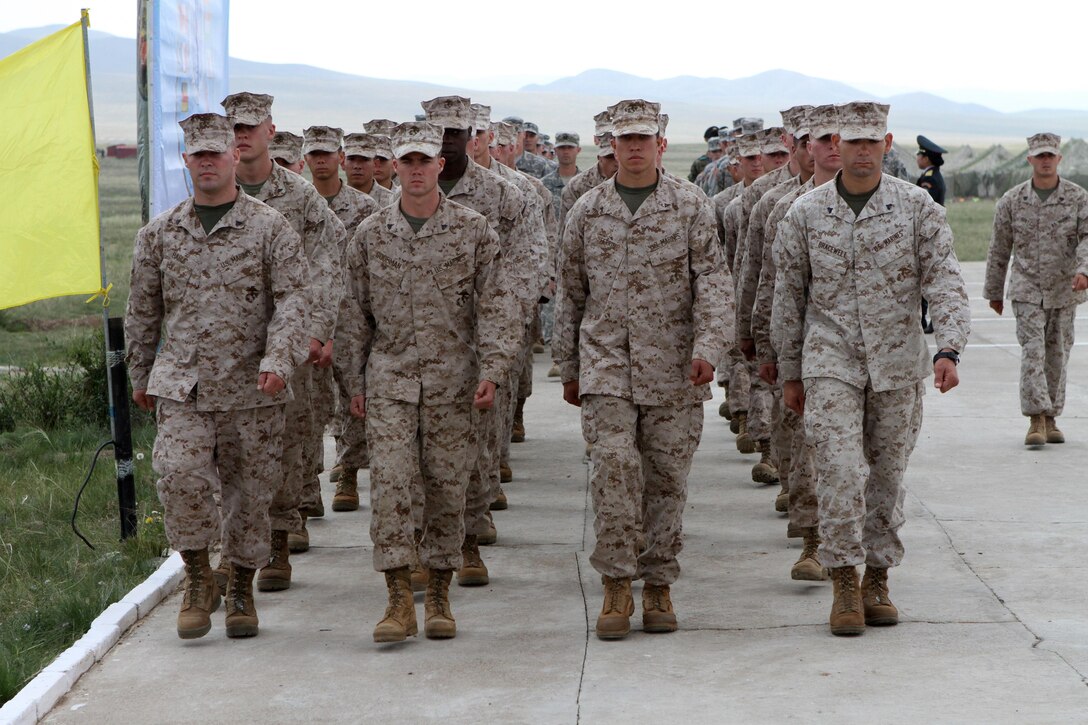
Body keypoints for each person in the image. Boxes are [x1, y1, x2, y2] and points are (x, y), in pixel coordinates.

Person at [772, 101, 970, 637]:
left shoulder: (916, 207)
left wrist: (948, 348)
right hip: (829, 361)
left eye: (869, 142)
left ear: (885, 144)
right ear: (837, 145)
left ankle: (878, 578)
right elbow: (787, 297)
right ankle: (843, 579)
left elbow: (945, 280)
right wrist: (790, 371)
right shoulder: (806, 213)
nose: (859, 152)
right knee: (837, 471)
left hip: (897, 363)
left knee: (887, 475)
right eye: (849, 141)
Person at [553, 98, 733, 640]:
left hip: (674, 367)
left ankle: (657, 583)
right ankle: (615, 582)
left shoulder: (691, 205)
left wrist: (710, 347)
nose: (633, 147)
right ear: (611, 144)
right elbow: (570, 292)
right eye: (623, 139)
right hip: (606, 365)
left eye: (643, 138)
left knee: (667, 479)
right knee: (612, 472)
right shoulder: (588, 209)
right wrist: (567, 365)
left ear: (660, 141)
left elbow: (713, 283)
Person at [125, 112, 310, 639]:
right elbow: (143, 309)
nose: (207, 163)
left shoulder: (271, 228)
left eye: (216, 154)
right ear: (186, 161)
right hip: (183, 386)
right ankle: (199, 575)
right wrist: (140, 372)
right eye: (198, 155)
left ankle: (241, 589)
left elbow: (294, 300)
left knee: (250, 495)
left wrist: (279, 360)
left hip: (253, 389)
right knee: (179, 477)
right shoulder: (159, 234)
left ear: (235, 158)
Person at [335, 121, 520, 642]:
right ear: (393, 168)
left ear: (441, 166)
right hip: (390, 381)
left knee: (446, 488)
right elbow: (353, 317)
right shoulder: (370, 236)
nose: (416, 171)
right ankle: (397, 600)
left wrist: (494, 370)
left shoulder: (473, 230)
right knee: (391, 486)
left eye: (425, 162)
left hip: (453, 383)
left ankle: (438, 593)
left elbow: (497, 307)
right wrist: (352, 382)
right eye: (406, 162)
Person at [221, 91, 345, 592]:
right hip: (227, 347)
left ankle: (277, 537)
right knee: (230, 450)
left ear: (271, 131)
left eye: (252, 126)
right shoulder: (213, 192)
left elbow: (327, 260)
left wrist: (317, 330)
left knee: (285, 445)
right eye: (234, 127)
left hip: (287, 343)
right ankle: (229, 548)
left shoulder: (298, 196)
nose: (242, 135)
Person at [984, 132, 1088, 446]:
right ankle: (1035, 419)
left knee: (1057, 354)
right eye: (1039, 156)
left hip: (1064, 287)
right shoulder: (1012, 200)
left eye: (1050, 156)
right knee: (1033, 352)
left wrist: (1085, 269)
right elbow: (999, 247)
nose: (1045, 161)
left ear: (1059, 159)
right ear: (1029, 160)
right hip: (1026, 287)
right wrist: (994, 290)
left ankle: (1052, 417)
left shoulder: (1078, 197)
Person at [916, 134, 947, 332]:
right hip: (930, 232)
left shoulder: (930, 180)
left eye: (919, 155)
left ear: (926, 157)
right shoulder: (932, 177)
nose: (917, 158)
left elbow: (924, 209)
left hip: (928, 233)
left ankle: (929, 320)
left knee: (928, 280)